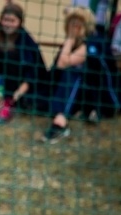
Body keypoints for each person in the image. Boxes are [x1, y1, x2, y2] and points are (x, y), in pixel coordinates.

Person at [0, 3, 45, 123]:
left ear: (20, 22)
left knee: (11, 55)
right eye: (6, 20)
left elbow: (33, 72)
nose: (8, 24)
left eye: (12, 21)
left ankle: (7, 104)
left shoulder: (26, 41)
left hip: (15, 90)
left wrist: (13, 96)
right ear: (1, 20)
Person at [41, 6, 97, 142]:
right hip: (66, 93)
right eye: (72, 23)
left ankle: (61, 122)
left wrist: (71, 38)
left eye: (79, 24)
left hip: (90, 95)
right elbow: (58, 67)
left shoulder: (89, 43)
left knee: (74, 72)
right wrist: (70, 39)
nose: (75, 27)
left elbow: (63, 63)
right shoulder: (70, 43)